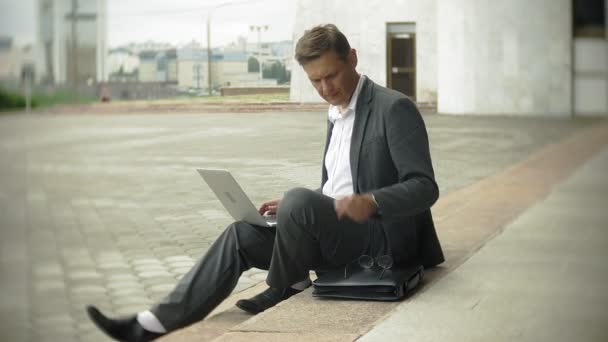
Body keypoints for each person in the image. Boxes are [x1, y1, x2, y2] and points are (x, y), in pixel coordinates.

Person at [86, 24, 444, 342]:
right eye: (315, 81)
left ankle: (284, 286)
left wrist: (372, 201)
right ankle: (150, 324)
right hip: (334, 232)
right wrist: (300, 206)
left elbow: (425, 187)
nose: (325, 88)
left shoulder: (392, 108)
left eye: (331, 75)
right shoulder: (336, 112)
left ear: (352, 58)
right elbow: (340, 185)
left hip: (375, 239)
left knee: (299, 201)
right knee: (241, 233)